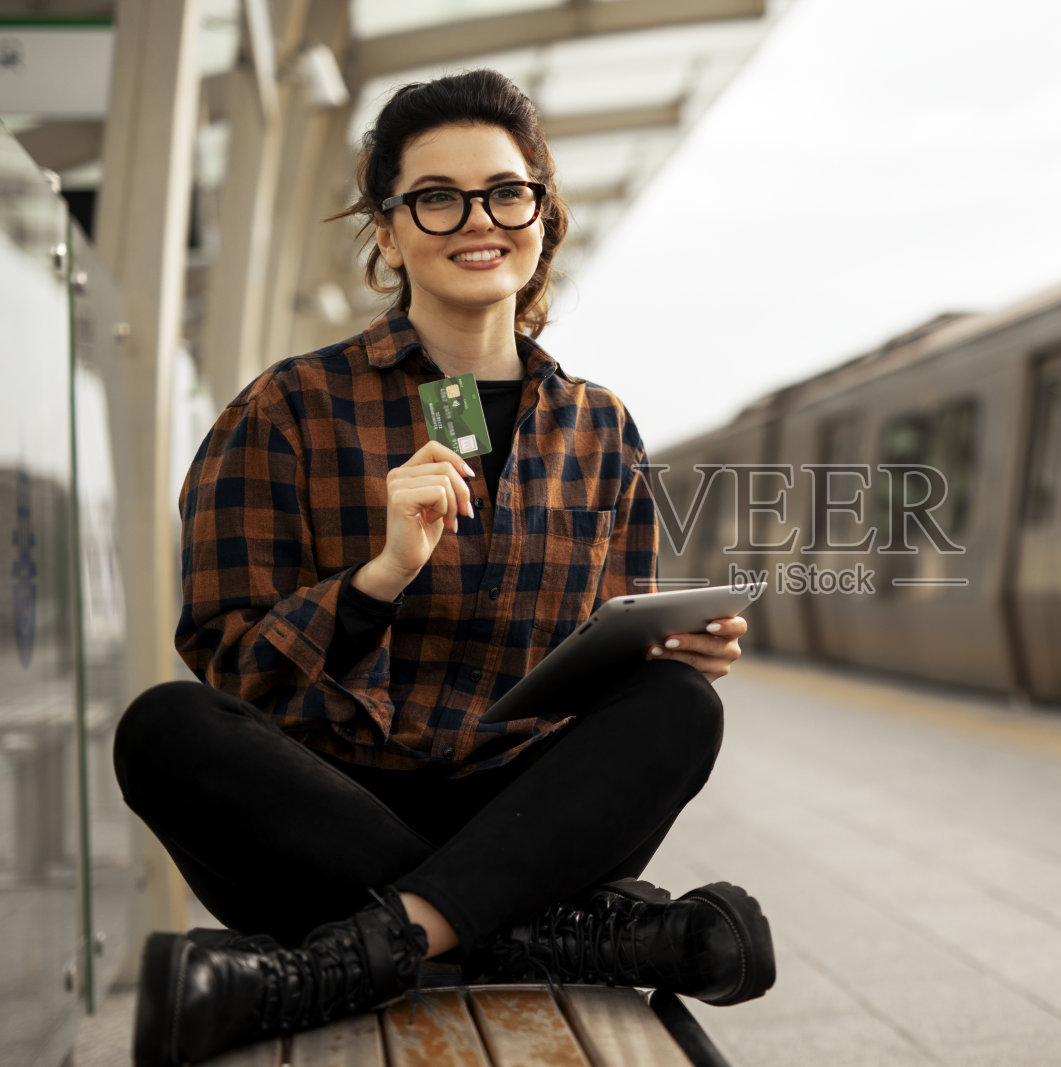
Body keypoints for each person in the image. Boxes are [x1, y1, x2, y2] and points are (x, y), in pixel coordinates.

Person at [113, 69, 775, 1067]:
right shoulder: (285, 408)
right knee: (163, 726)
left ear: (542, 218)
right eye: (437, 196)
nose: (480, 218)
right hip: (322, 810)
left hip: (517, 803)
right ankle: (560, 931)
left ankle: (350, 954)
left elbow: (603, 664)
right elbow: (228, 662)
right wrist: (377, 576)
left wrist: (669, 647)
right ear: (388, 230)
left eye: (507, 192)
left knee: (681, 706)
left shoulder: (597, 426)